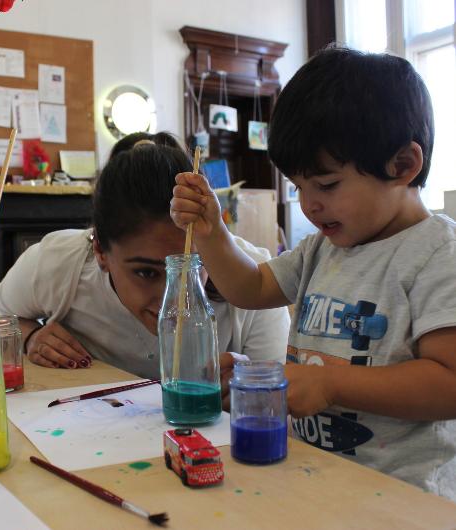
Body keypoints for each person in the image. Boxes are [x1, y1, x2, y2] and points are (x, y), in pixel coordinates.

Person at [170, 46, 456, 500]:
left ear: (403, 165)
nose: (308, 204)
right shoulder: (322, 248)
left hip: (402, 498)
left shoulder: (438, 254)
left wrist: (330, 383)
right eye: (298, 187)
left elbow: (449, 382)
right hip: (315, 477)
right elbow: (250, 287)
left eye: (326, 185)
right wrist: (212, 232)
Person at [0, 137, 290, 408]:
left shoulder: (255, 277)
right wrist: (30, 337)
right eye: (146, 273)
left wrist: (252, 386)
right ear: (100, 252)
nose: (173, 300)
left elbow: (284, 402)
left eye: (194, 268)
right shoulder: (59, 261)